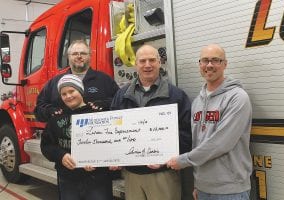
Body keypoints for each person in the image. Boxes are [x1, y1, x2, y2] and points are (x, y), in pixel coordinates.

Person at [167, 44, 253, 200]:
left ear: (225, 64)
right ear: (199, 64)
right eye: (205, 60)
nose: (209, 65)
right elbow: (197, 142)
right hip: (203, 188)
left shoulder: (238, 97)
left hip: (231, 190)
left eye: (216, 60)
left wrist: (183, 160)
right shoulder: (197, 102)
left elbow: (221, 143)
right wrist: (198, 184)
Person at [110, 44, 192, 200]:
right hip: (132, 175)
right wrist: (115, 156)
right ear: (136, 64)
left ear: (159, 63)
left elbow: (187, 133)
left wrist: (165, 157)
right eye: (142, 61)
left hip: (163, 174)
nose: (147, 65)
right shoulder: (121, 96)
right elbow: (113, 130)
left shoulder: (176, 96)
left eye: (152, 60)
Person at [40, 74, 113, 200]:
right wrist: (61, 155)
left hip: (97, 179)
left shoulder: (98, 115)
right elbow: (46, 145)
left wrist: (97, 161)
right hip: (67, 180)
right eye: (64, 94)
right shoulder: (56, 117)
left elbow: (110, 144)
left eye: (72, 91)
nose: (68, 96)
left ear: (80, 90)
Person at [34, 39, 119, 122]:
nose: (79, 56)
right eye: (74, 54)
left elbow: (120, 103)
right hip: (64, 134)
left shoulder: (104, 80)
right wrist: (49, 111)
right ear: (68, 57)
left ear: (90, 56)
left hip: (97, 133)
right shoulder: (54, 83)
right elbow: (38, 110)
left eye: (83, 53)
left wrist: (106, 105)